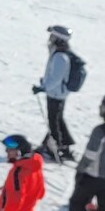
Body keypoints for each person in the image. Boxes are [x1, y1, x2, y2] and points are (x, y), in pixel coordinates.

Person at [34, 25, 83, 162]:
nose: (50, 38)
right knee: (57, 119)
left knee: (53, 121)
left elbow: (56, 78)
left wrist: (43, 87)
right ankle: (63, 146)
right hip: (57, 92)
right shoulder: (59, 53)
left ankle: (54, 149)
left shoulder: (60, 57)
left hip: (56, 93)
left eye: (53, 36)